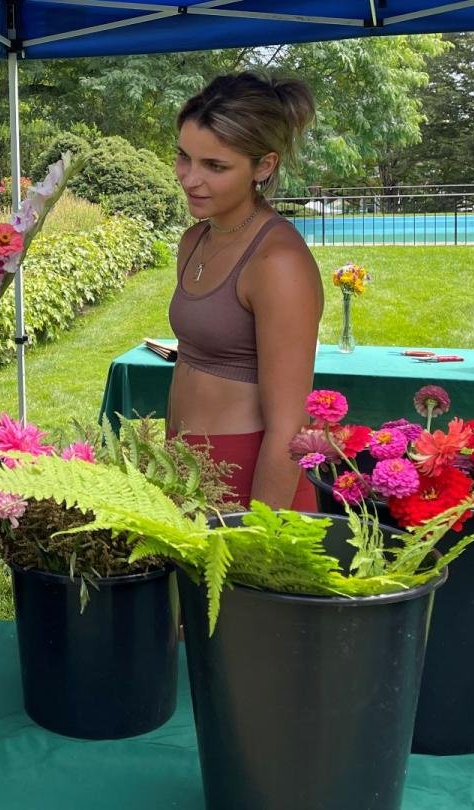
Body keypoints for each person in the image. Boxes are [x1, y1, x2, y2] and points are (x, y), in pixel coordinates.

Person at [166, 72, 322, 510]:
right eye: (184, 157)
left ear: (264, 166)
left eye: (215, 166)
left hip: (252, 479)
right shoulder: (194, 240)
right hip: (183, 466)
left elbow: (290, 426)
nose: (189, 179)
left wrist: (257, 535)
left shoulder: (278, 262)